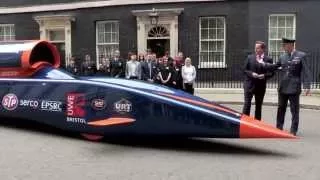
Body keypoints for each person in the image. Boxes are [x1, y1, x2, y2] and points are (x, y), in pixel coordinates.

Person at [271, 38, 312, 136]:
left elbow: (307, 71)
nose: (283, 47)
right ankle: (279, 127)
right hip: (283, 86)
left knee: (294, 109)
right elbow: (275, 66)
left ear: (291, 45)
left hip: (294, 87)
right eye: (283, 45)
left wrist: (307, 86)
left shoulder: (301, 55)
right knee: (281, 108)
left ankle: (293, 130)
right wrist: (264, 66)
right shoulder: (282, 56)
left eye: (284, 45)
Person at [242, 41, 274, 121]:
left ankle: (257, 124)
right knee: (247, 104)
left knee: (258, 106)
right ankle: (245, 122)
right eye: (255, 47)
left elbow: (272, 73)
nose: (255, 49)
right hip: (249, 85)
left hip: (260, 86)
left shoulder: (268, 59)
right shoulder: (250, 57)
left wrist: (264, 76)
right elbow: (244, 70)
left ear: (263, 49)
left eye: (257, 48)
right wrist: (252, 74)